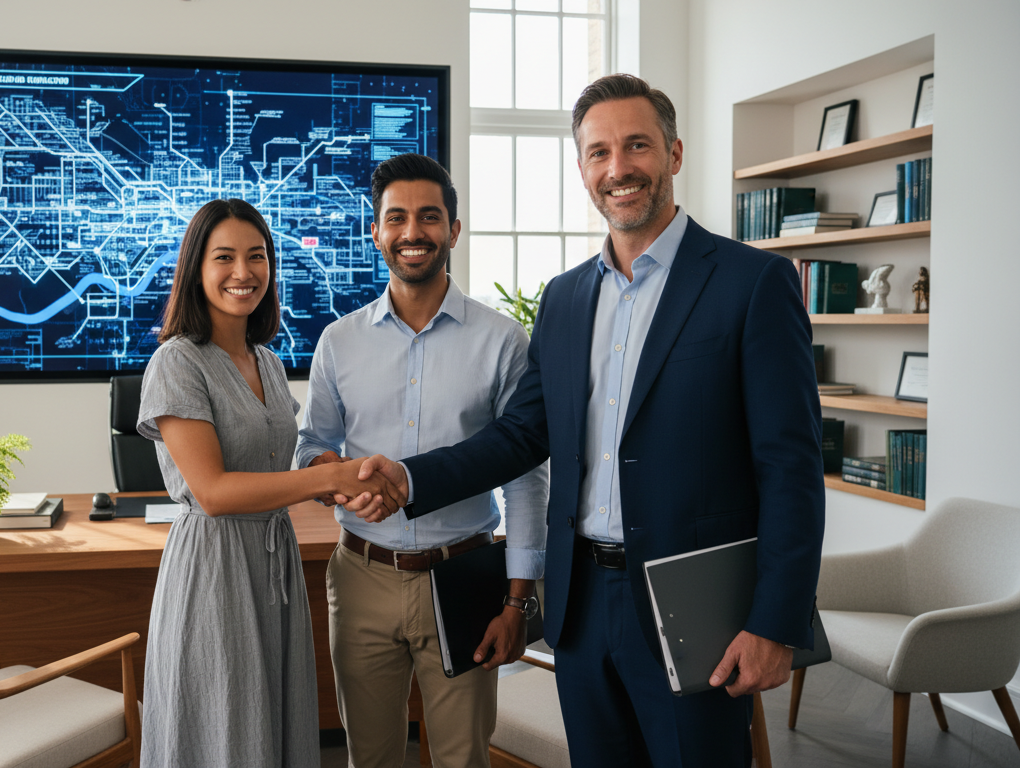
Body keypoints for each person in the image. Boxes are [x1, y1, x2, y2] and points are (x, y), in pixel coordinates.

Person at [349, 74, 825, 767]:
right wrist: (407, 477)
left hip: (694, 608)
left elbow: (791, 468)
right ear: (582, 169)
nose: (619, 168)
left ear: (674, 153)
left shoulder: (753, 284)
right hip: (581, 606)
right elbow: (523, 435)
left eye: (637, 146)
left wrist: (775, 622)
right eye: (599, 153)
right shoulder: (566, 298)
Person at [296, 153, 549, 768]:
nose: (414, 233)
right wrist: (340, 483)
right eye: (397, 218)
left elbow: (523, 475)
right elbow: (311, 449)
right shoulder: (340, 340)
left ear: (453, 230)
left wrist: (519, 601)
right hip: (361, 577)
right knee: (371, 758)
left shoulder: (502, 341)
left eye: (429, 217)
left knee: (463, 759)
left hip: (463, 579)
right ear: (376, 230)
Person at [135, 198, 405, 767]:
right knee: (223, 736)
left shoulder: (269, 361)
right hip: (213, 570)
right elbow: (211, 491)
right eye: (225, 257)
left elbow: (278, 462)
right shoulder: (177, 361)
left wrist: (334, 476)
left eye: (256, 256)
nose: (243, 272)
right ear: (196, 269)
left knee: (272, 728)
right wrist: (324, 478)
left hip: (272, 565)